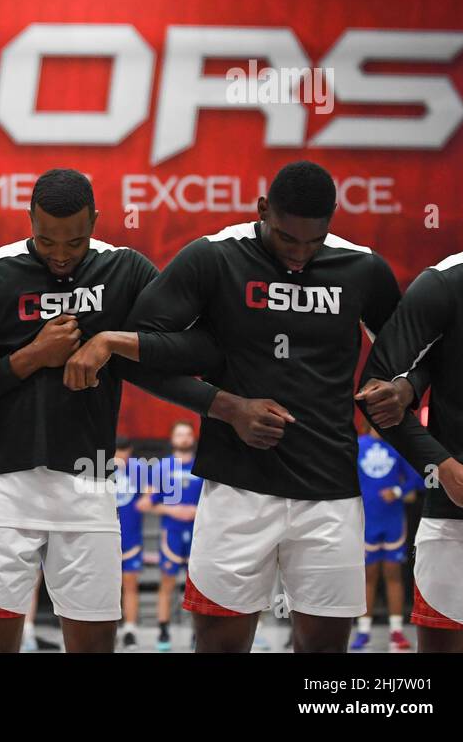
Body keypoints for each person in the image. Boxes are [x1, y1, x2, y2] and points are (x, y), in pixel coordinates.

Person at [113, 161, 424, 652]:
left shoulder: (363, 268)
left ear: (331, 221)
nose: (299, 255)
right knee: (218, 646)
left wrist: (404, 388)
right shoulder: (213, 258)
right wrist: (227, 406)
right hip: (236, 487)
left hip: (330, 492)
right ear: (262, 210)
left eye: (312, 241)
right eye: (285, 238)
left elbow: (417, 358)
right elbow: (135, 354)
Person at [0, 168, 223, 653]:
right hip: (2, 491)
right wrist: (27, 358)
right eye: (46, 242)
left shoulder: (124, 268)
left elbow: (201, 346)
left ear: (96, 221)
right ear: (29, 221)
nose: (61, 255)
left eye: (75, 242)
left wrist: (110, 341)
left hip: (89, 485)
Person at [356, 172, 463, 651]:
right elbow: (374, 392)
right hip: (461, 518)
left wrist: (413, 383)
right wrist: (443, 468)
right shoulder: (446, 283)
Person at [351, 424, 418, 651]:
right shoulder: (357, 445)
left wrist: (398, 491)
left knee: (393, 575)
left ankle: (397, 631)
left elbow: (417, 478)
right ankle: (363, 631)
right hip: (367, 520)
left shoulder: (397, 446)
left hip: (392, 521)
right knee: (367, 576)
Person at [150, 422, 202, 651]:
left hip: (198, 534)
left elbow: (215, 504)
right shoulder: (161, 467)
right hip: (170, 532)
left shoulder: (203, 466)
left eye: (187, 434)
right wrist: (173, 510)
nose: (183, 438)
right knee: (167, 583)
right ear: (172, 438)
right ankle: (163, 631)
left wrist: (196, 511)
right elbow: (149, 504)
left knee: (199, 586)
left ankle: (198, 633)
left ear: (192, 438)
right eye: (178, 434)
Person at [112, 436, 143, 651]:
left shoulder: (139, 470)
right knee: (104, 586)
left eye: (124, 451)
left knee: (130, 583)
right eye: (117, 451)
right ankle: (107, 628)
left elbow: (151, 496)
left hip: (130, 535)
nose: (121, 456)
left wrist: (149, 498)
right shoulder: (97, 468)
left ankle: (130, 630)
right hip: (105, 535)